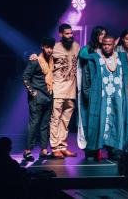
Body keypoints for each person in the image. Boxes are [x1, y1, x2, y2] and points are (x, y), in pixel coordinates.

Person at [79, 36, 128, 160]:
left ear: (114, 44)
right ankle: (93, 150)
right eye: (104, 44)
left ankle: (114, 150)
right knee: (98, 122)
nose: (106, 47)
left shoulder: (121, 57)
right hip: (101, 97)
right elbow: (82, 54)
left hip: (117, 97)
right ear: (101, 45)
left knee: (117, 122)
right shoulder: (96, 57)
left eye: (109, 44)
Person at [22, 37, 55, 161]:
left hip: (48, 97)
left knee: (45, 125)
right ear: (42, 46)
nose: (50, 50)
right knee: (34, 124)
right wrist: (33, 93)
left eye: (51, 48)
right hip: (37, 98)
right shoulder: (35, 60)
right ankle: (28, 151)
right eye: (47, 47)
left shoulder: (52, 60)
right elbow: (25, 77)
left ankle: (44, 150)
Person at [76, 26, 107, 157]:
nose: (103, 37)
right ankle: (90, 148)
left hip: (104, 88)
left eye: (104, 35)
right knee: (90, 118)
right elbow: (81, 55)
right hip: (89, 87)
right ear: (95, 35)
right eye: (100, 35)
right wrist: (94, 57)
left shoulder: (107, 49)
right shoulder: (88, 48)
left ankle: (100, 147)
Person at [50, 23, 80, 158]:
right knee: (55, 118)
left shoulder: (76, 46)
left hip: (71, 89)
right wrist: (34, 56)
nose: (70, 36)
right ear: (60, 34)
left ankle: (62, 146)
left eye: (71, 33)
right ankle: (55, 147)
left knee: (65, 120)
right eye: (67, 34)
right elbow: (44, 62)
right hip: (57, 88)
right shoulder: (54, 47)